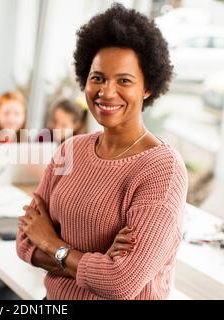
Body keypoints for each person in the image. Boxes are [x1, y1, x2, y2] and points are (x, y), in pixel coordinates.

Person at [16, 4, 188, 300]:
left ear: (147, 87)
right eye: (98, 78)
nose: (106, 92)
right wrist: (95, 262)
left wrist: (52, 243)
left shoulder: (163, 169)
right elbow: (24, 242)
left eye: (124, 80)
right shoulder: (70, 150)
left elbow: (120, 283)